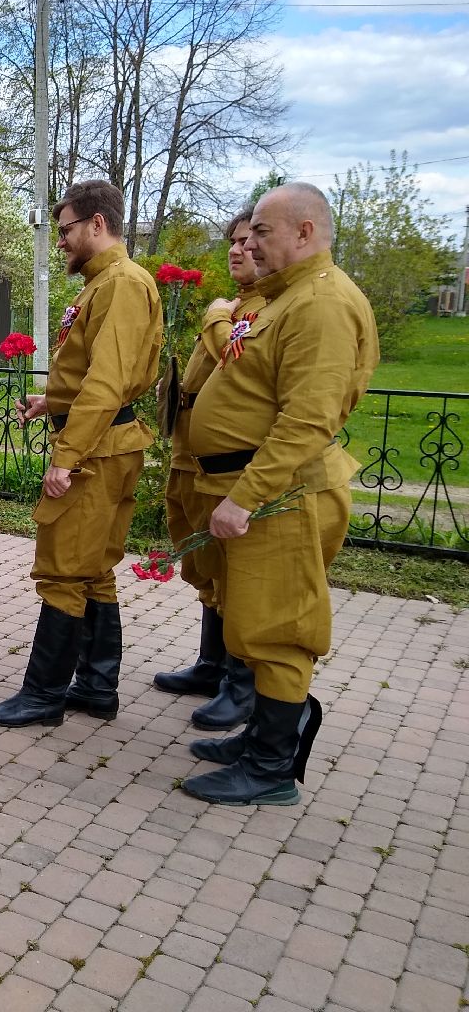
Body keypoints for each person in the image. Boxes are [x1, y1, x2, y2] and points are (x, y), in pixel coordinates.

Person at [182, 182, 378, 806]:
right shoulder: (281, 299)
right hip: (251, 487)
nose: (250, 241)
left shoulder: (321, 303)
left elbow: (308, 419)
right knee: (250, 624)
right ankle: (261, 738)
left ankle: (270, 768)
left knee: (280, 630)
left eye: (262, 230)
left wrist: (244, 497)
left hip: (280, 496)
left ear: (305, 231)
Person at [0, 180, 162, 729]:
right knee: (92, 571)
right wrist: (50, 399)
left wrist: (66, 456)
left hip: (96, 452)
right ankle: (96, 686)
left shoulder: (121, 284)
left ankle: (43, 696)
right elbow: (90, 372)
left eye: (66, 231)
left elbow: (107, 381)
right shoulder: (105, 283)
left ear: (97, 226)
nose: (61, 242)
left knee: (62, 572)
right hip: (104, 444)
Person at [152, 209, 264, 733]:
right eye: (234, 242)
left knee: (234, 572)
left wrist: (215, 319)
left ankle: (241, 686)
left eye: (249, 241)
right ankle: (212, 662)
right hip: (190, 453)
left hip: (231, 468)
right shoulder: (237, 305)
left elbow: (234, 363)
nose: (237, 250)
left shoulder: (256, 312)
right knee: (203, 560)